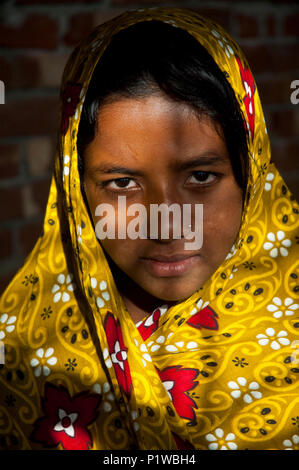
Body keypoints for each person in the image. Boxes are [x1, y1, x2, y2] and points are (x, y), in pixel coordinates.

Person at [0, 7, 298, 451]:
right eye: (122, 184)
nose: (166, 223)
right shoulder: (22, 350)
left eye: (200, 177)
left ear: (249, 172)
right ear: (77, 189)